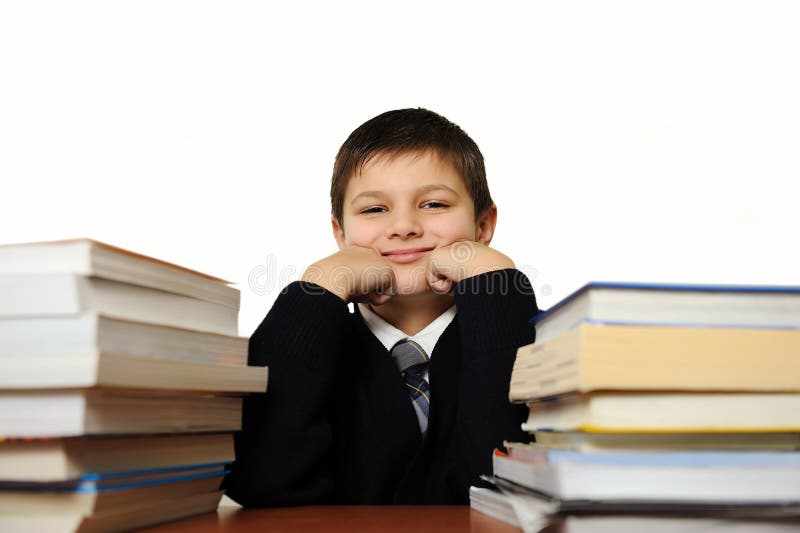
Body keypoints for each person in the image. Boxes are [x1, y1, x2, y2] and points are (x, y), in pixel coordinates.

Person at [224, 108, 539, 506]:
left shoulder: (512, 332)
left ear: (482, 226)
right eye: (374, 210)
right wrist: (319, 285)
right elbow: (260, 481)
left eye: (435, 204)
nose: (404, 226)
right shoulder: (313, 350)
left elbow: (508, 484)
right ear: (341, 234)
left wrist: (494, 281)